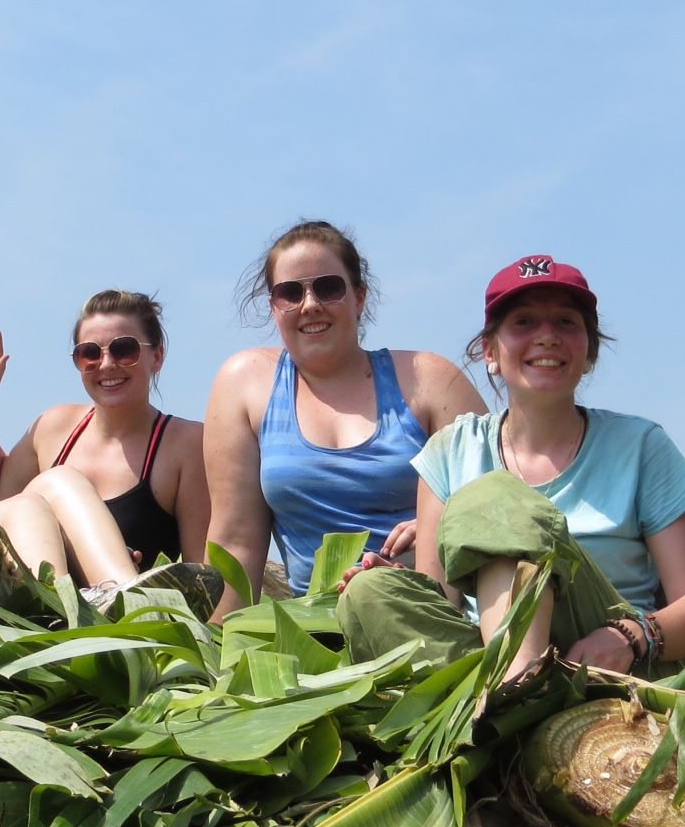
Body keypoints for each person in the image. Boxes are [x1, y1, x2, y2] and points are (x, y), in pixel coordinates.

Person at [338, 256, 685, 677]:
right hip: (487, 658)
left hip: (600, 666)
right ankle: (515, 691)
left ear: (589, 351)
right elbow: (444, 604)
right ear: (490, 351)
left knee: (493, 497)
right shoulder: (450, 452)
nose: (547, 337)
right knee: (368, 591)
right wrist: (400, 585)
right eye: (524, 322)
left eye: (566, 323)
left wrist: (628, 635)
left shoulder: (641, 447)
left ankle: (517, 687)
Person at [205, 220, 487, 615]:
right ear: (274, 307)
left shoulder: (432, 381)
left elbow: (497, 505)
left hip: (432, 613)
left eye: (328, 288)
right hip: (319, 632)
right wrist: (216, 652)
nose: (310, 304)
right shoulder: (245, 384)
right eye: (290, 292)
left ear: (359, 297)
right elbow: (237, 543)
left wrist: (437, 528)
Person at [0, 289, 211, 588]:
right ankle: (112, 590)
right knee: (52, 486)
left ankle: (115, 592)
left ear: (157, 357)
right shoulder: (54, 426)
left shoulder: (186, 444)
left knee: (56, 481)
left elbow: (202, 571)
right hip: (42, 618)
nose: (106, 364)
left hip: (121, 630)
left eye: (124, 349)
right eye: (89, 353)